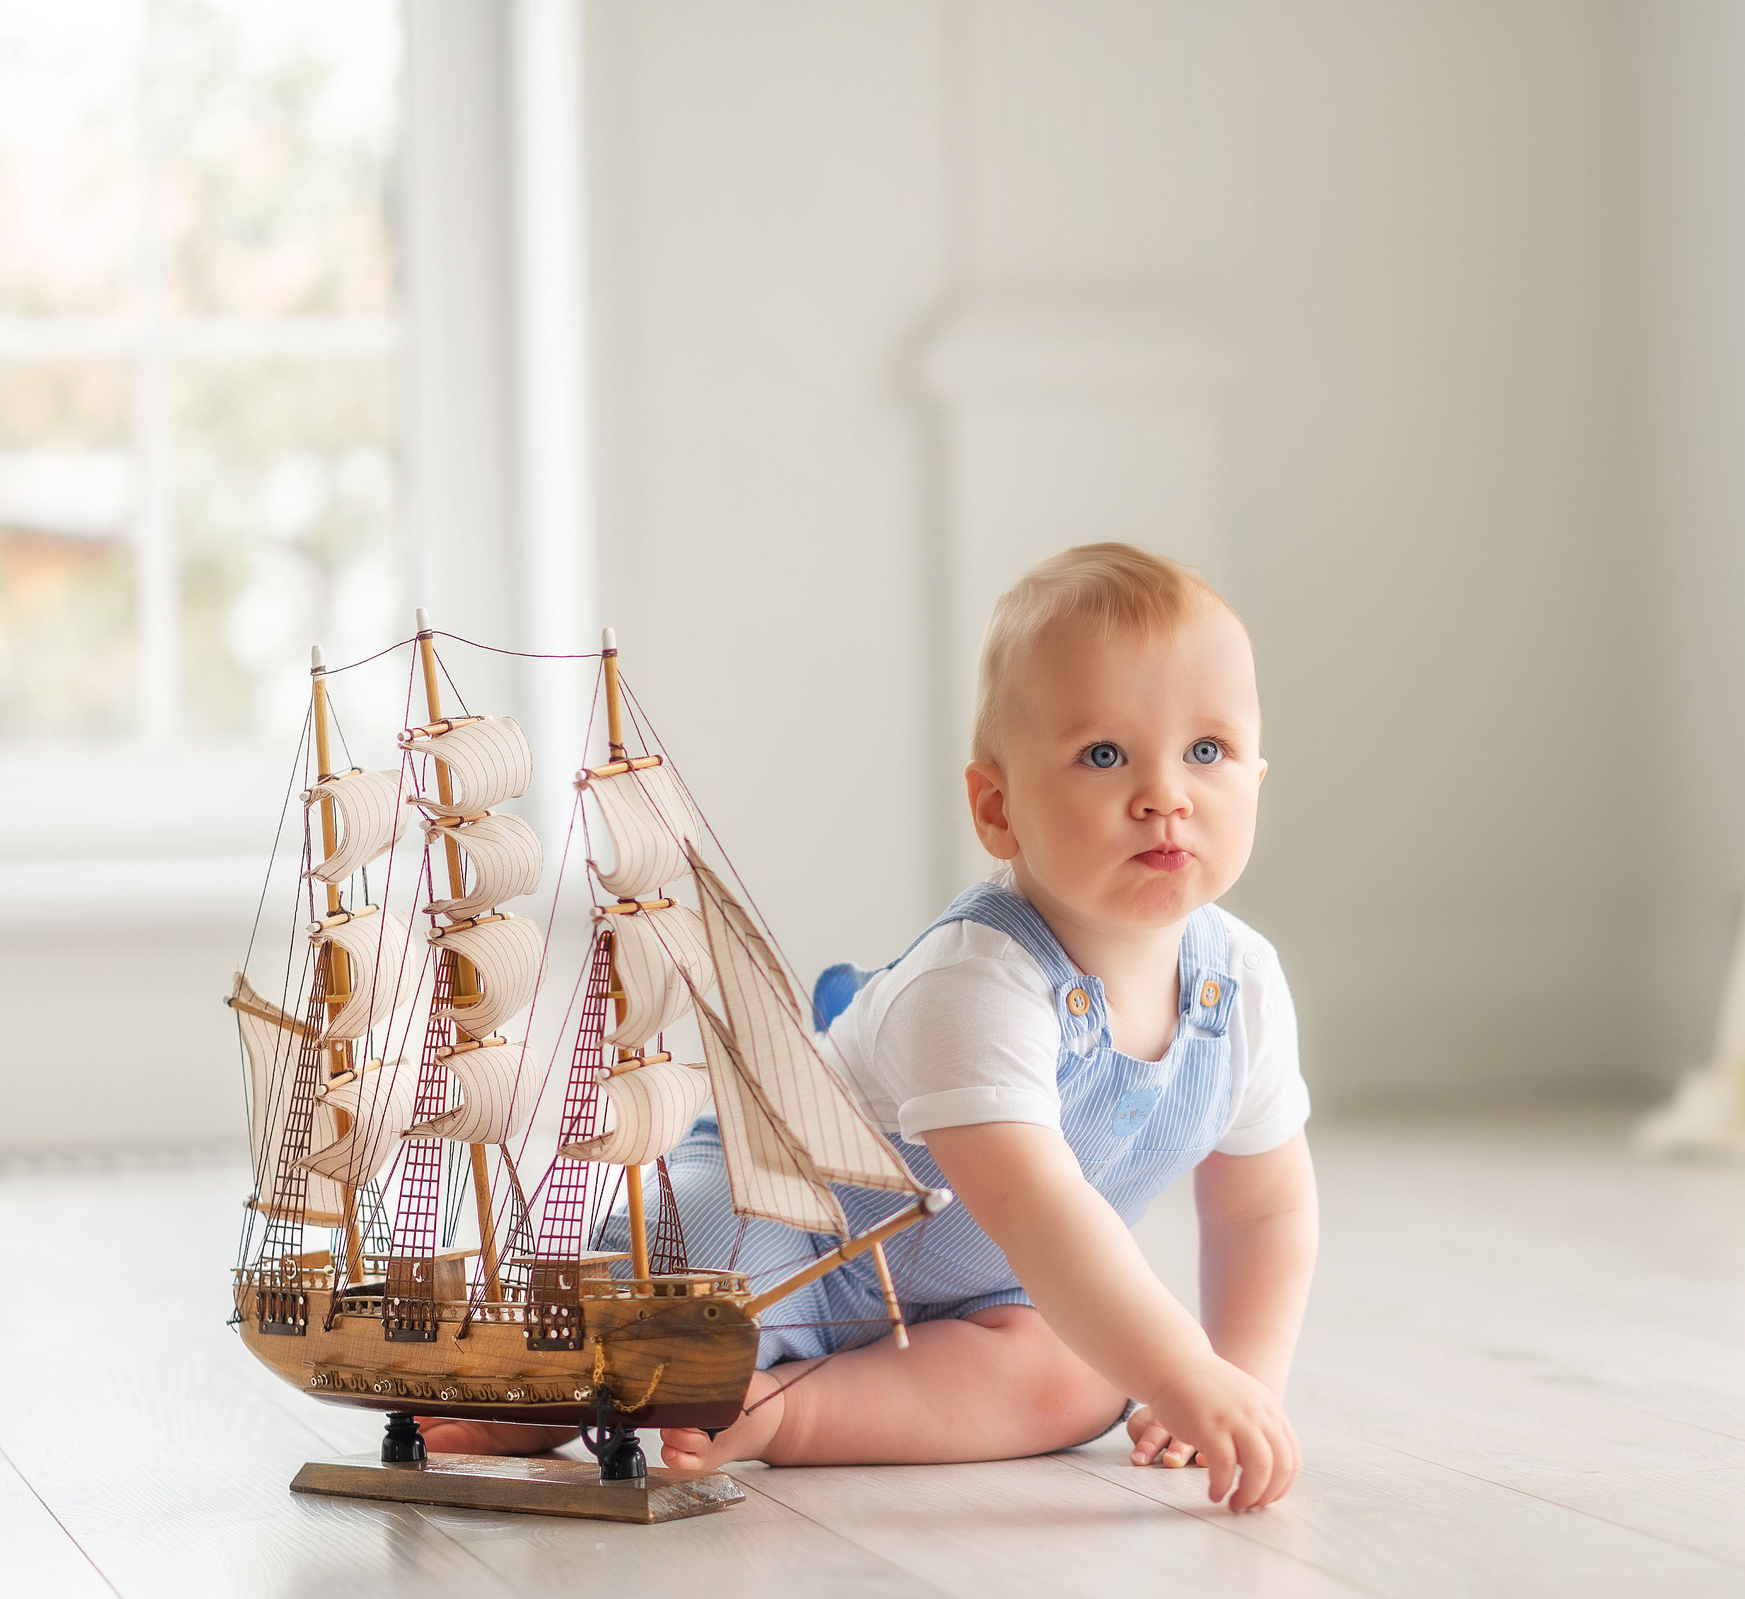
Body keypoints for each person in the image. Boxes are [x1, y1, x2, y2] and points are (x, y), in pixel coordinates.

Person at [428, 543, 1316, 1512]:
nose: (1165, 794)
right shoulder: (981, 981)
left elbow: (1261, 1208)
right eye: (1103, 755)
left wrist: (1238, 1378)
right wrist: (1186, 1367)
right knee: (690, 1291)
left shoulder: (1242, 990)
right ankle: (549, 1400)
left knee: (1086, 1377)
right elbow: (1039, 1212)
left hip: (987, 1300)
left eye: (1207, 751)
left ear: (1260, 776)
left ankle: (788, 1414)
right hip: (794, 1226)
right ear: (997, 807)